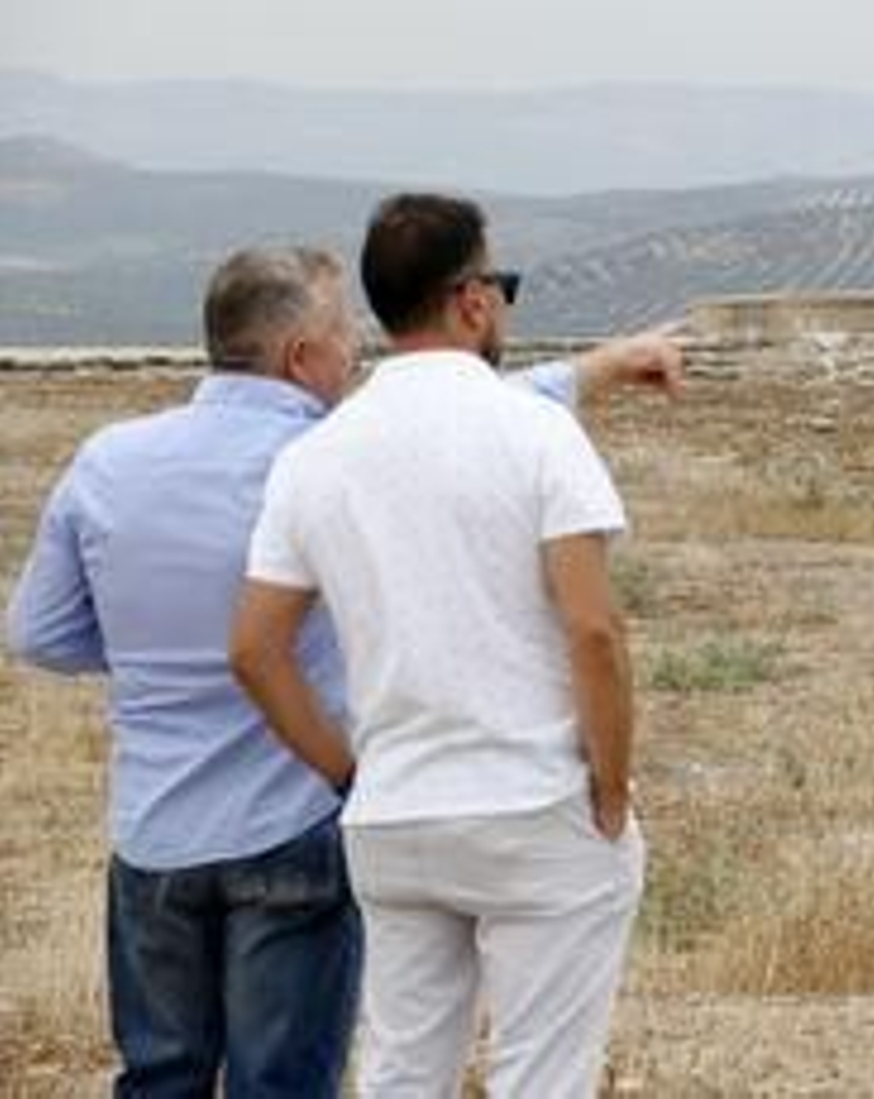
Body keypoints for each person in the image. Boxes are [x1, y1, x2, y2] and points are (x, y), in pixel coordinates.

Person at [5, 243, 682, 1097]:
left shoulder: (108, 459)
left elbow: (36, 632)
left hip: (153, 833)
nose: (357, 349)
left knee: (160, 1075)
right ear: (300, 356)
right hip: (293, 817)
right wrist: (607, 366)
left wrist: (153, 659)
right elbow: (475, 420)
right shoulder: (323, 458)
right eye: (342, 334)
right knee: (285, 1080)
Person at [229, 192, 649, 1097]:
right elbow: (592, 626)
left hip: (395, 809)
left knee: (401, 1073)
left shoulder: (315, 456)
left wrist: (348, 771)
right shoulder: (537, 430)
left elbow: (257, 648)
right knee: (542, 1074)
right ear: (472, 299)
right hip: (533, 801)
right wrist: (611, 785)